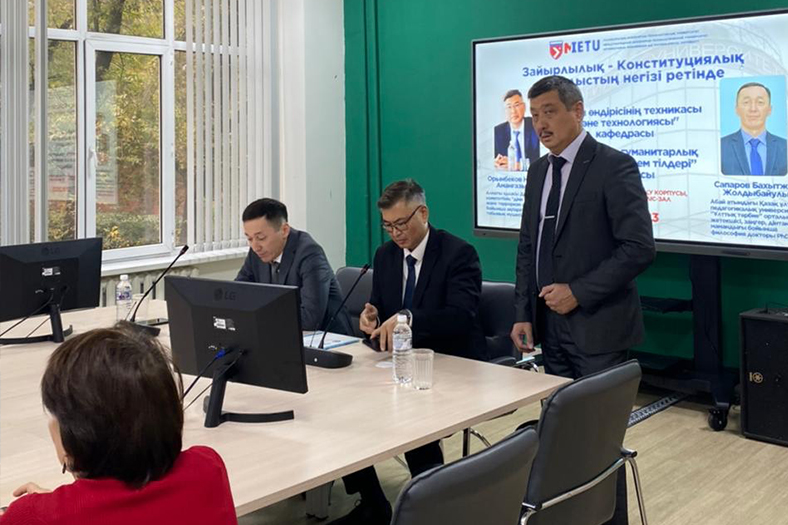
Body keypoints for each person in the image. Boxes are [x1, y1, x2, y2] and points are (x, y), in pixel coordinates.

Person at [510, 76, 655, 525]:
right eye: (535, 115)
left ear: (577, 111)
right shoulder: (538, 170)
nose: (540, 124)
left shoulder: (613, 165)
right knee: (562, 438)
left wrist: (579, 291)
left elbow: (638, 247)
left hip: (600, 329)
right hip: (550, 329)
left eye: (549, 112)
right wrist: (523, 312)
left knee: (598, 440)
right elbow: (528, 245)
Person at [329, 179, 486, 525]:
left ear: (423, 213)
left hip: (448, 361)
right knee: (342, 411)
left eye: (401, 223)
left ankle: (434, 506)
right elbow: (382, 310)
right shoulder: (385, 256)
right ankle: (372, 502)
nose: (396, 233)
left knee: (413, 415)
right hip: (397, 362)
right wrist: (372, 319)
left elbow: (460, 317)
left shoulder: (458, 254)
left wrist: (407, 318)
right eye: (388, 226)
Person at [0, 323, 237, 525]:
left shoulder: (30, 517)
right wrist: (55, 506)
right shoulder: (208, 468)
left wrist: (43, 510)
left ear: (73, 433)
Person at [236, 198, 352, 335]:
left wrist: (259, 314)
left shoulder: (310, 254)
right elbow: (236, 295)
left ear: (284, 230)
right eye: (249, 238)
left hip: (327, 339)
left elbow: (310, 320)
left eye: (261, 238)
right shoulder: (257, 252)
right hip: (282, 334)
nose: (255, 246)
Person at [721, 82, 788, 176]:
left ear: (769, 110)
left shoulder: (784, 147)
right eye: (746, 102)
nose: (753, 109)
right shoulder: (721, 146)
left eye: (760, 102)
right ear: (737, 109)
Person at [494, 89, 541, 170]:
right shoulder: (498, 132)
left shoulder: (536, 126)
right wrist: (497, 162)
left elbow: (541, 161)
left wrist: (517, 165)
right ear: (505, 111)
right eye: (509, 107)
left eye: (517, 105)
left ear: (524, 107)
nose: (513, 111)